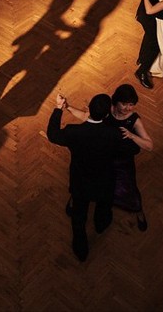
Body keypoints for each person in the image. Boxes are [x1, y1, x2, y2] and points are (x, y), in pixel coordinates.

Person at [64, 84, 152, 231]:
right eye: (124, 104)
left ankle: (138, 210)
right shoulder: (107, 111)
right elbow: (86, 116)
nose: (128, 108)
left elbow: (149, 145)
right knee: (86, 179)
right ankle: (76, 198)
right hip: (103, 157)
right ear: (116, 102)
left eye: (131, 104)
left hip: (122, 162)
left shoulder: (134, 120)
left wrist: (132, 136)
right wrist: (68, 107)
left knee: (129, 188)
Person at [48, 93, 120, 261]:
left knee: (79, 215)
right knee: (104, 206)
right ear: (107, 114)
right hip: (104, 180)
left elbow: (53, 135)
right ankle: (101, 224)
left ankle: (81, 247)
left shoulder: (74, 132)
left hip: (81, 182)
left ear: (88, 110)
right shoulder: (113, 133)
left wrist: (59, 108)